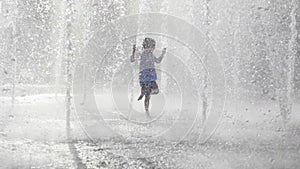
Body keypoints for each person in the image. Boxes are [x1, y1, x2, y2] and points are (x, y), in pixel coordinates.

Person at [131, 37, 167, 116]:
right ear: (146, 46)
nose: (153, 48)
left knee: (156, 90)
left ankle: (144, 92)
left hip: (151, 77)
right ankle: (147, 112)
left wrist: (163, 54)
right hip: (144, 77)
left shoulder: (151, 54)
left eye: (154, 47)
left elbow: (158, 61)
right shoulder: (141, 54)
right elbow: (132, 60)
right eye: (152, 46)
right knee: (148, 96)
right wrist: (133, 51)